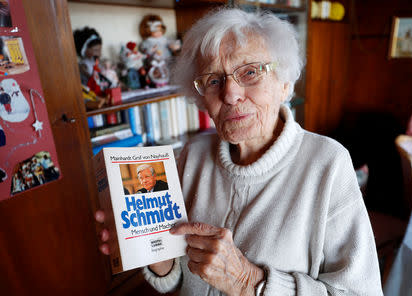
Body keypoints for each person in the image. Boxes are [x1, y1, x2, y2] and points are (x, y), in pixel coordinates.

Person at [96, 8, 382, 295]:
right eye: (213, 80)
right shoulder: (191, 156)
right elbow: (178, 278)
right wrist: (153, 252)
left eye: (250, 72)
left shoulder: (328, 165)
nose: (230, 94)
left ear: (285, 83)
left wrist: (248, 281)